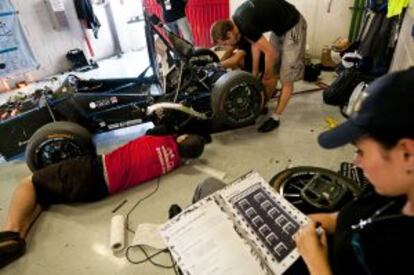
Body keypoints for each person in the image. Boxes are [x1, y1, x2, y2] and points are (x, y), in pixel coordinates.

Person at [0, 133, 206, 268]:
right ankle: (19, 237)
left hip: (93, 170)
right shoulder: (174, 164)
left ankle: (8, 233)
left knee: (29, 183)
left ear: (182, 138)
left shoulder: (159, 138)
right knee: (44, 197)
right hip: (99, 190)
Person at [293, 68, 414, 275]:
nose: (356, 161)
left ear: (407, 153)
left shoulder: (400, 249)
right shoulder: (391, 186)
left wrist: (317, 264)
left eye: (362, 151)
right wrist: (320, 221)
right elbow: (351, 216)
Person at [210, 0, 307, 132]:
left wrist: (266, 74)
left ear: (229, 34)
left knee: (286, 77)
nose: (227, 47)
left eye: (225, 43)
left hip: (293, 25)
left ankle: (275, 117)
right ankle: (260, 105)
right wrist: (254, 73)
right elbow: (256, 45)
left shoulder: (245, 24)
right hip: (278, 28)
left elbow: (270, 52)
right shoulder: (237, 23)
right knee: (272, 75)